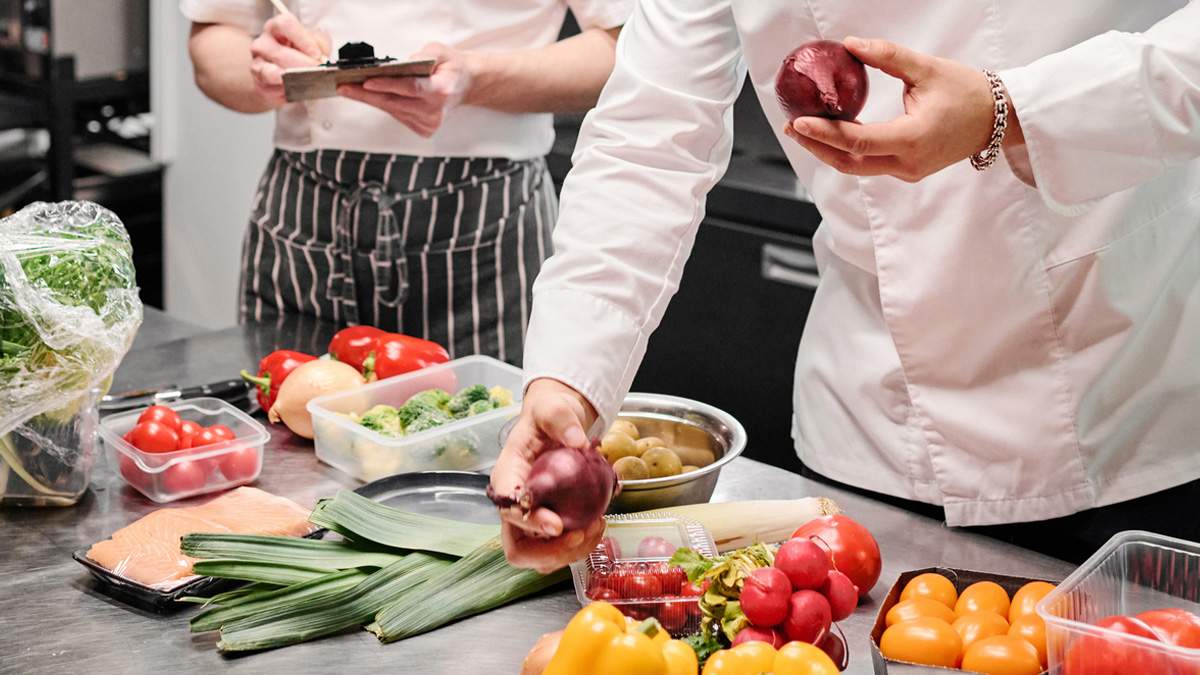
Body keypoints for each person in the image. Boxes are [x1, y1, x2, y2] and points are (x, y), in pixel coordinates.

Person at [489, 0, 1200, 571]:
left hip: (1123, 389)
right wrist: (568, 383)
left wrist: (1014, 110)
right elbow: (649, 140)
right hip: (875, 423)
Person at [181, 0, 631, 362]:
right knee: (283, 428)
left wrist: (477, 80)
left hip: (484, 222)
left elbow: (626, 49)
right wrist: (262, 72)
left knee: (484, 434)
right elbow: (214, 37)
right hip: (303, 214)